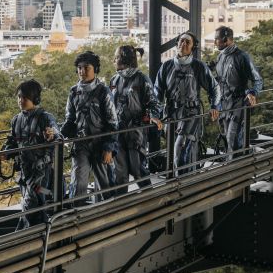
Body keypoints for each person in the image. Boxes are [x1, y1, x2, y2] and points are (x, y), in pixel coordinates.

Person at [154, 31, 220, 175]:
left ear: (192, 48)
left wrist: (215, 106)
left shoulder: (198, 67)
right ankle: (183, 181)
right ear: (177, 43)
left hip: (191, 114)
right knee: (174, 152)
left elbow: (214, 88)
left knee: (181, 147)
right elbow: (157, 92)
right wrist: (155, 114)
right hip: (171, 114)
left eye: (187, 42)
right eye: (181, 41)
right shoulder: (166, 66)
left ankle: (180, 186)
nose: (183, 44)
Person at [1, 79, 62, 229]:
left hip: (41, 171)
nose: (21, 101)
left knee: (30, 203)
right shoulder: (17, 120)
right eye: (19, 97)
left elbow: (58, 136)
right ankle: (44, 231)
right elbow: (13, 141)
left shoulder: (45, 118)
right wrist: (6, 152)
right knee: (36, 203)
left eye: (25, 97)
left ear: (35, 99)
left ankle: (22, 236)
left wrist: (51, 135)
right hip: (24, 172)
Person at [61, 51, 118, 203]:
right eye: (79, 68)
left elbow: (113, 123)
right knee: (78, 182)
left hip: (101, 143)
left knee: (106, 185)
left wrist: (109, 148)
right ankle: (75, 218)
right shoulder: (74, 92)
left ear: (95, 69)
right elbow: (70, 119)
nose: (82, 71)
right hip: (81, 144)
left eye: (86, 67)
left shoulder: (103, 92)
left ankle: (111, 216)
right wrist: (59, 135)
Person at [110, 45, 163, 195]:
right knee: (120, 172)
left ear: (124, 59)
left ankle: (149, 199)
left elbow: (153, 102)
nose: (114, 60)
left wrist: (153, 116)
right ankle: (120, 205)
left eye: (116, 57)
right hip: (118, 131)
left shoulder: (141, 79)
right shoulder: (114, 79)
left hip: (136, 131)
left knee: (138, 168)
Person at [212, 26, 263, 158]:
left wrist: (252, 93)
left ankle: (238, 167)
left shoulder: (242, 57)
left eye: (217, 39)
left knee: (232, 138)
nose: (215, 42)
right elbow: (219, 82)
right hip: (224, 105)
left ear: (226, 39)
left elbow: (257, 79)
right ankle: (236, 164)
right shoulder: (220, 57)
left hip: (239, 103)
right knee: (228, 140)